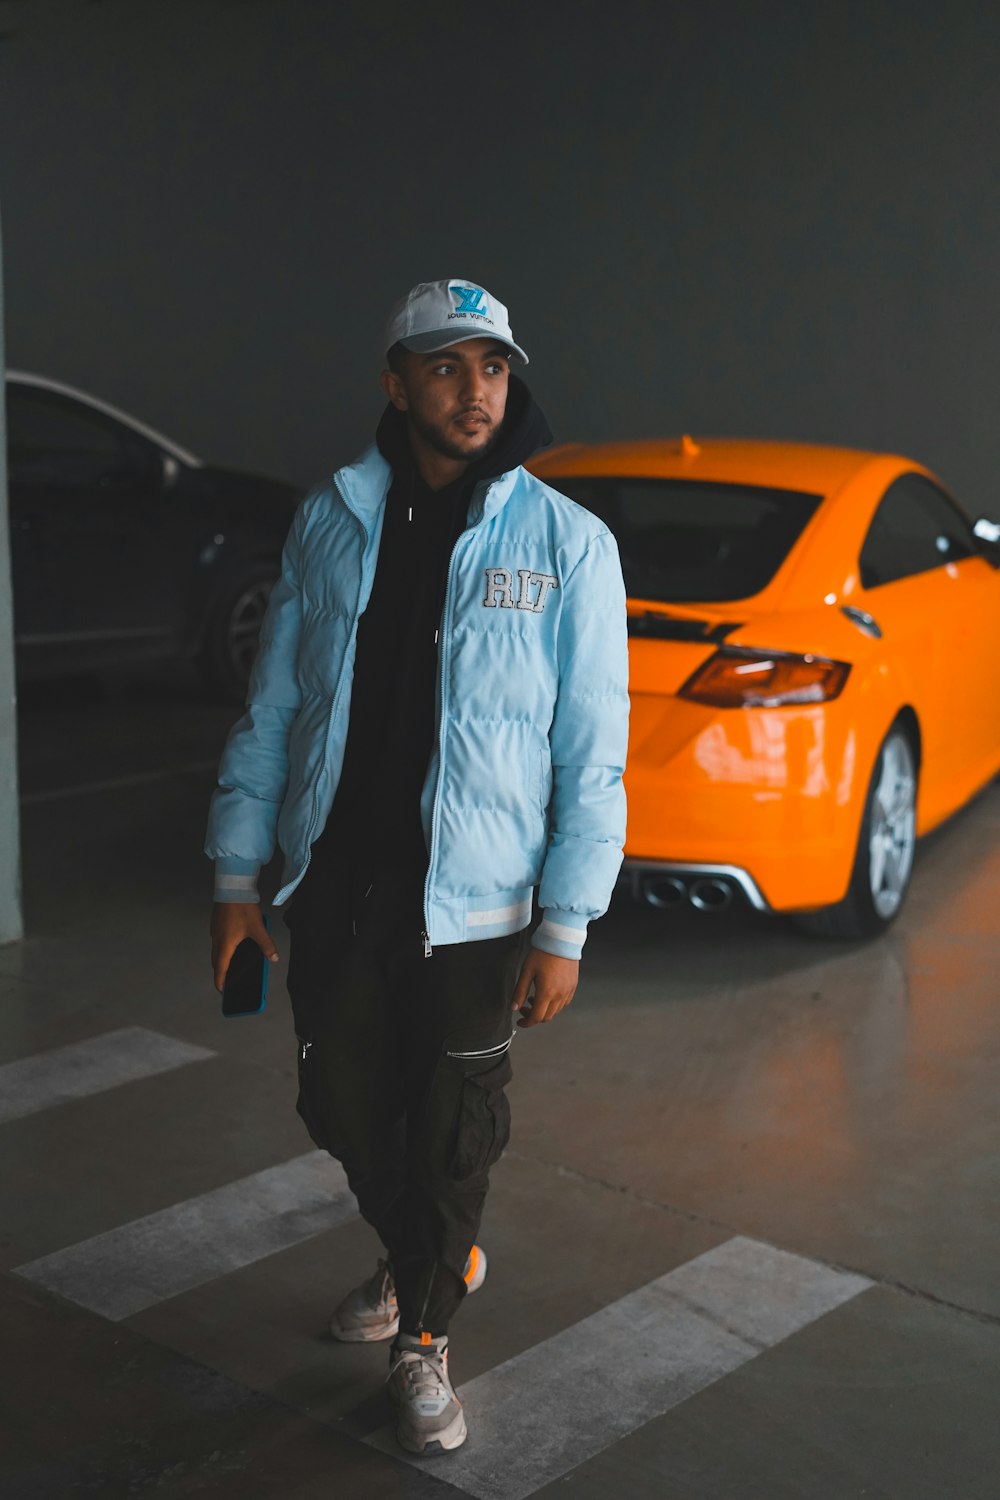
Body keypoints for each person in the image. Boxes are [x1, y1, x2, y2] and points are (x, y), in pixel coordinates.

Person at [206, 278, 629, 1455]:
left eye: (492, 366)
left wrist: (564, 927)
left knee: (453, 1129)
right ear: (396, 384)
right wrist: (237, 879)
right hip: (340, 887)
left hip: (481, 907)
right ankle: (428, 1258)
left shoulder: (568, 546)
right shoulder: (331, 523)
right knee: (336, 1099)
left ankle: (424, 1335)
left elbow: (595, 754)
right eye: (445, 366)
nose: (475, 389)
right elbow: (276, 706)